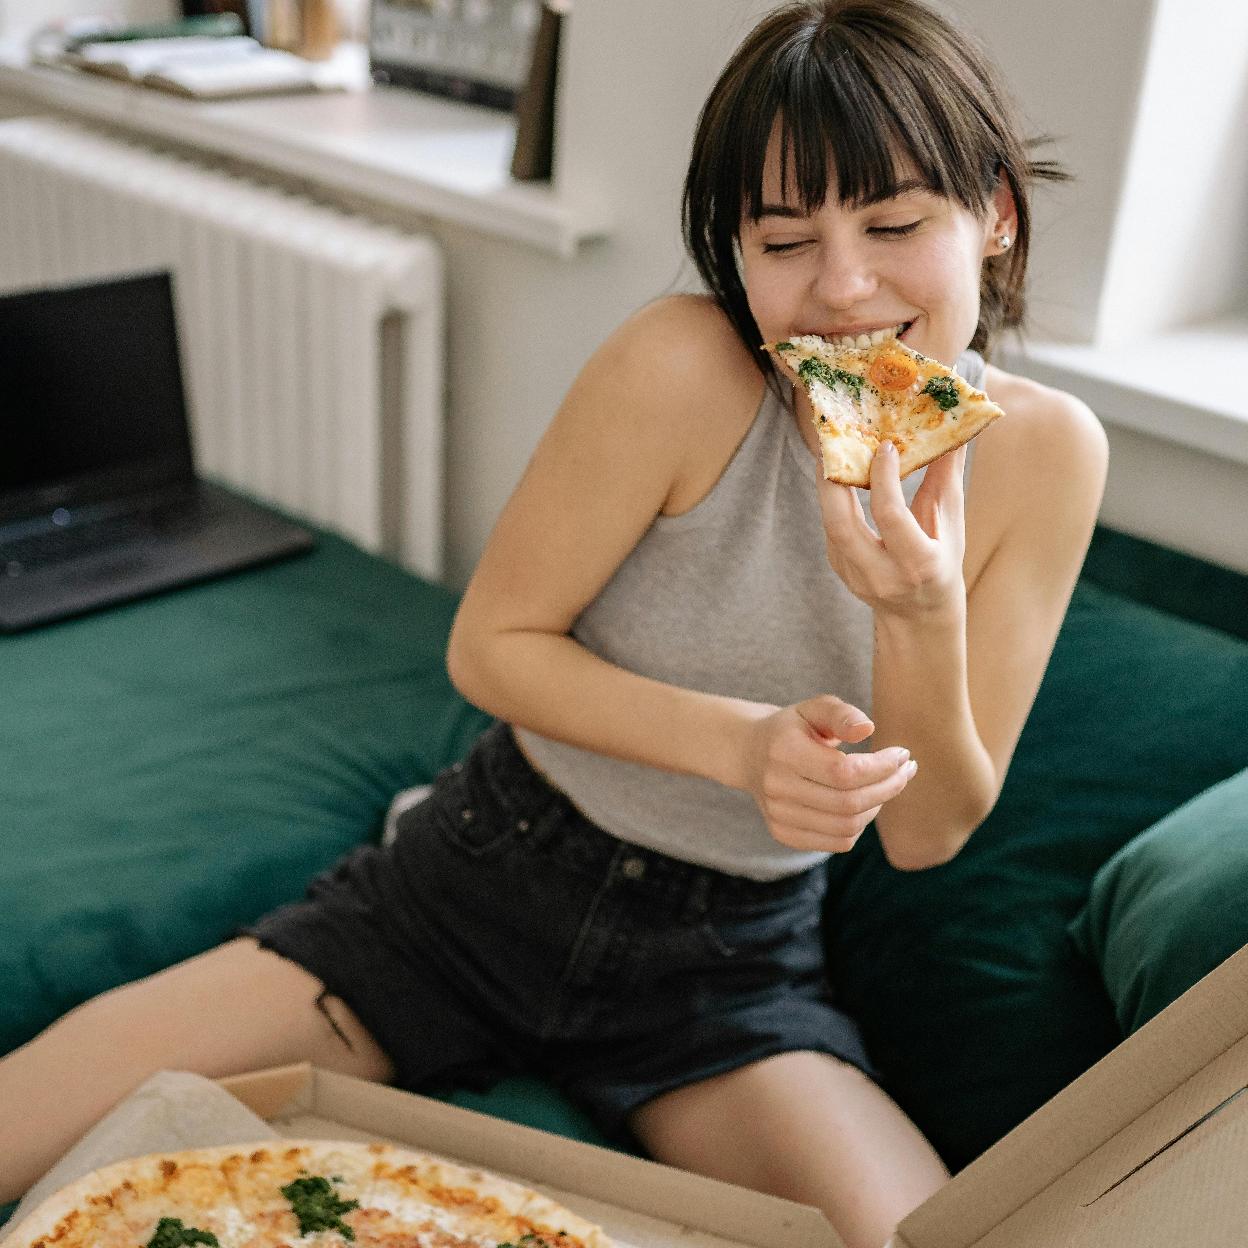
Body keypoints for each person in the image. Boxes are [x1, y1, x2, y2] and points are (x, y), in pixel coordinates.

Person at [0, 3, 1107, 1245]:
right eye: (784, 238)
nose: (842, 288)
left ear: (996, 212)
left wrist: (916, 611)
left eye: (895, 224)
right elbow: (491, 645)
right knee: (23, 1129)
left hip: (727, 964)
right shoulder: (684, 367)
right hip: (481, 883)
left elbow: (926, 832)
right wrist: (742, 748)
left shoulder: (1048, 456)